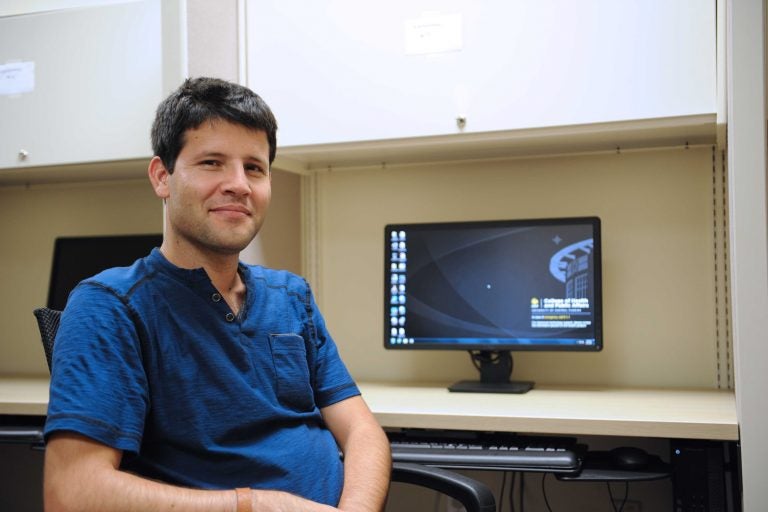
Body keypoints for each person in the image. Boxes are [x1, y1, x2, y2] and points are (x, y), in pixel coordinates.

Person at [43, 77, 391, 512]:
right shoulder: (111, 306)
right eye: (212, 162)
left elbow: (361, 431)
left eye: (255, 168)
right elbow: (72, 492)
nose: (239, 185)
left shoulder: (291, 296)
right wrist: (257, 506)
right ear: (161, 177)